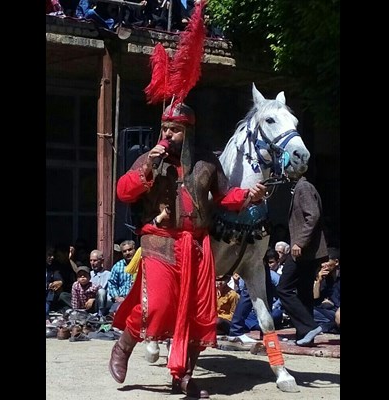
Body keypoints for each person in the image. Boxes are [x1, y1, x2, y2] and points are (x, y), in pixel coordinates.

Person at [108, 102, 267, 398]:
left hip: (197, 245)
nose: (168, 133)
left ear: (188, 131)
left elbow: (224, 196)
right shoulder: (148, 158)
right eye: (165, 128)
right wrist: (148, 168)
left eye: (175, 129)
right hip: (159, 239)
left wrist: (248, 195)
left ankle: (183, 375)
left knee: (198, 314)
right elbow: (123, 191)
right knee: (158, 305)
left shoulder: (207, 161)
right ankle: (124, 345)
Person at [276, 173, 328, 346]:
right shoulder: (301, 187)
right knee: (304, 291)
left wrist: (300, 242)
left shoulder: (303, 187)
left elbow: (312, 216)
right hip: (309, 251)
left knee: (284, 288)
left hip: (303, 251)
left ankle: (309, 327)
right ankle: (305, 334)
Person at [313, 248, 340, 334]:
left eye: (326, 261)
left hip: (338, 311)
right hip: (330, 311)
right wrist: (319, 281)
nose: (323, 265)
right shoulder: (326, 277)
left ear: (336, 262)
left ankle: (325, 327)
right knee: (306, 311)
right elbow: (315, 298)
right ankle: (331, 326)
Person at [107, 240, 136, 314]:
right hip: (121, 299)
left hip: (137, 299)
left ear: (134, 250)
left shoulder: (141, 264)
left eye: (129, 250)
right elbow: (112, 284)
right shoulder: (117, 266)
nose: (127, 253)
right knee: (113, 313)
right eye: (124, 251)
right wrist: (117, 297)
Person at [89, 249, 112, 316]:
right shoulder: (88, 274)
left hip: (102, 303)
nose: (92, 263)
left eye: (95, 260)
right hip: (88, 303)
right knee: (64, 295)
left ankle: (100, 315)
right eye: (91, 260)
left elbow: (109, 296)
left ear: (102, 261)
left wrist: (94, 299)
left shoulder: (108, 275)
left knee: (101, 291)